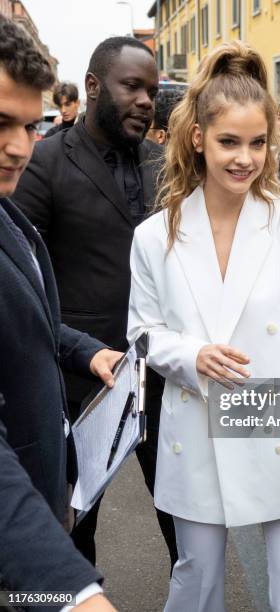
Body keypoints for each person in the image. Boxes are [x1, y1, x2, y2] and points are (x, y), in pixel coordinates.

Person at [127, 41, 280, 612]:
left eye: (257, 143)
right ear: (198, 138)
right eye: (229, 141)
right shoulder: (155, 236)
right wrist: (190, 355)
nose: (244, 158)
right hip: (195, 426)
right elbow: (141, 333)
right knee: (196, 580)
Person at [13, 36, 177, 569]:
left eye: (151, 90)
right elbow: (24, 284)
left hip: (163, 376)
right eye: (131, 86)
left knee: (183, 520)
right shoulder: (43, 163)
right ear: (92, 87)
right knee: (72, 528)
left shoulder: (165, 163)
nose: (146, 100)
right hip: (80, 384)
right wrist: (76, 351)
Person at [0, 15, 121, 610]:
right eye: (1, 123)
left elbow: (29, 326)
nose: (21, 146)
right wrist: (70, 589)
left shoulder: (8, 217)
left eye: (28, 124)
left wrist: (86, 350)